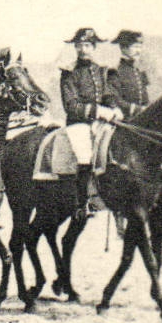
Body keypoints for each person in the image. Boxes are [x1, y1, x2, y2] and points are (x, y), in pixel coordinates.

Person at [59, 27, 122, 221]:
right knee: (85, 156)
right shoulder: (68, 72)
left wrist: (113, 107)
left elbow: (108, 93)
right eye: (79, 45)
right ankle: (82, 203)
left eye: (87, 45)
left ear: (94, 47)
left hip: (101, 120)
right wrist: (97, 111)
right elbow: (71, 105)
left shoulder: (101, 70)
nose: (83, 49)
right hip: (79, 123)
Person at [109, 30, 150, 118]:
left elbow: (145, 100)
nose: (138, 51)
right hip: (124, 120)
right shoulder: (115, 72)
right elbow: (115, 100)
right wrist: (137, 110)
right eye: (135, 47)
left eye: (140, 47)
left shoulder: (139, 72)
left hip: (142, 119)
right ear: (123, 48)